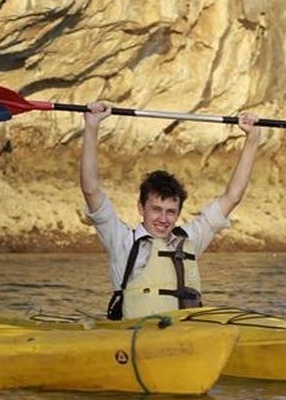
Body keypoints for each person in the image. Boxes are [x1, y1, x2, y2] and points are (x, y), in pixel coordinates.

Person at [80, 102, 262, 319]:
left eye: (170, 211)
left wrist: (252, 139)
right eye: (156, 209)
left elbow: (233, 196)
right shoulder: (122, 241)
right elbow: (90, 190)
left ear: (178, 213)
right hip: (131, 335)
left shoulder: (189, 239)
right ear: (141, 208)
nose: (163, 219)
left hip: (180, 336)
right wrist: (91, 127)